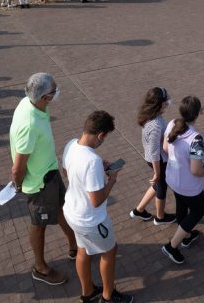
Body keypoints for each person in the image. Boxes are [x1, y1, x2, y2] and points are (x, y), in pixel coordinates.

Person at [10, 73, 77, 286]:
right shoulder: (29, 124)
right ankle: (39, 268)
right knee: (39, 224)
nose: (57, 93)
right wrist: (19, 184)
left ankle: (75, 245)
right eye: (54, 91)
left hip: (50, 173)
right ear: (44, 97)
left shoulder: (31, 103)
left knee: (62, 209)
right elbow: (18, 166)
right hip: (38, 184)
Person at [63, 111, 134, 303]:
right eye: (105, 137)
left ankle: (87, 292)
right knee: (109, 251)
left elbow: (67, 172)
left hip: (71, 211)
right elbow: (96, 200)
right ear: (100, 135)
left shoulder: (71, 144)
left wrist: (95, 169)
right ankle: (108, 296)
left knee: (83, 250)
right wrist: (112, 180)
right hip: (90, 219)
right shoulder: (92, 161)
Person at [161, 96, 204, 264]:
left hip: (173, 179)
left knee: (181, 206)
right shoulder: (196, 138)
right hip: (190, 186)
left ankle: (186, 236)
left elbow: (166, 148)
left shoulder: (172, 123)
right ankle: (172, 246)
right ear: (198, 113)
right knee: (197, 212)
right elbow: (196, 170)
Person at [130, 87, 176, 225]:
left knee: (157, 185)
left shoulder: (150, 116)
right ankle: (160, 217)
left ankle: (139, 211)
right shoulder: (155, 124)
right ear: (159, 104)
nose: (168, 103)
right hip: (158, 161)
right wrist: (157, 172)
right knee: (161, 188)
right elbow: (155, 151)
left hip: (152, 159)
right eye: (165, 101)